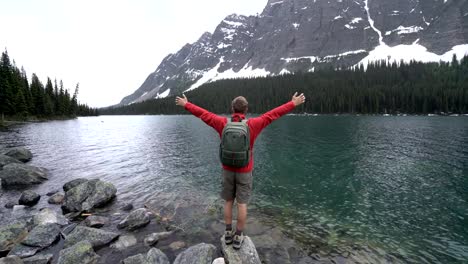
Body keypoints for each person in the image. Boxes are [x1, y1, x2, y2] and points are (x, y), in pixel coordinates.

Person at [175, 92, 306, 249]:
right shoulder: (253, 124)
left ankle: (228, 232)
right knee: (242, 203)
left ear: (232, 109)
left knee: (229, 201)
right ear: (246, 109)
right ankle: (238, 236)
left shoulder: (222, 123)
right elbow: (273, 114)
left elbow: (204, 114)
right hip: (245, 170)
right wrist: (292, 103)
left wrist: (187, 104)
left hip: (227, 169)